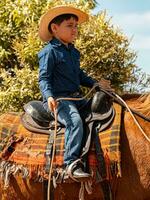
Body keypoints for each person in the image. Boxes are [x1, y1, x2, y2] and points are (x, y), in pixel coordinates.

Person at [38, 5, 111, 179]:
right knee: (75, 122)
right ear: (55, 28)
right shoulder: (48, 52)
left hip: (77, 98)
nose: (75, 29)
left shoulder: (74, 53)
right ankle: (70, 163)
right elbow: (44, 79)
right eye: (69, 25)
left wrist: (96, 84)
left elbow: (79, 76)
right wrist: (48, 96)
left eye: (76, 26)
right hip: (59, 100)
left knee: (101, 108)